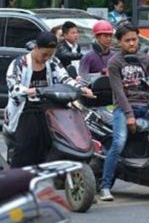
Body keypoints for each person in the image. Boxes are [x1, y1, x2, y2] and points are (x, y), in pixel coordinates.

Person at [4, 31, 93, 168]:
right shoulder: (19, 64)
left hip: (48, 107)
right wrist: (30, 91)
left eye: (50, 55)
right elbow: (13, 87)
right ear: (36, 47)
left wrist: (81, 89)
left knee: (54, 140)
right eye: (44, 54)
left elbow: (65, 79)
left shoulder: (53, 62)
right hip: (25, 109)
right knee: (26, 144)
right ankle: (16, 179)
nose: (47, 58)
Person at [99, 23, 149, 202]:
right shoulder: (115, 62)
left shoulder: (146, 59)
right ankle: (105, 186)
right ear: (120, 42)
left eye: (134, 40)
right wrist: (129, 115)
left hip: (146, 107)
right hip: (124, 108)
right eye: (127, 40)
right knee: (118, 143)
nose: (132, 43)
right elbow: (118, 92)